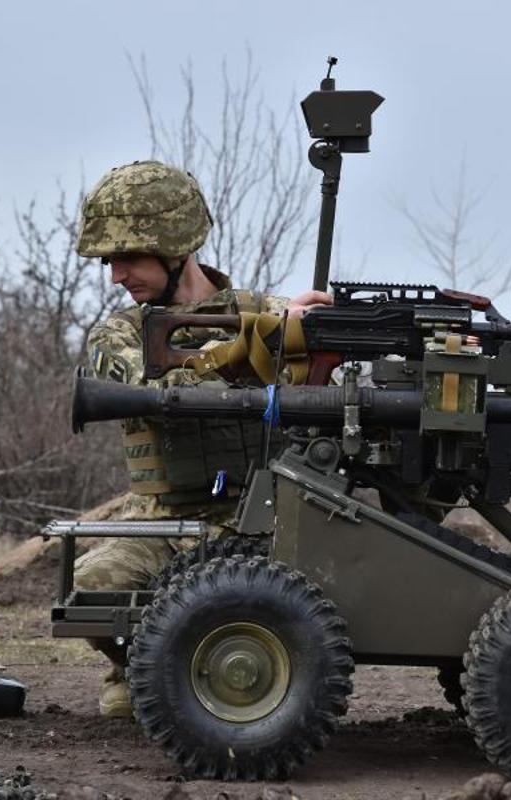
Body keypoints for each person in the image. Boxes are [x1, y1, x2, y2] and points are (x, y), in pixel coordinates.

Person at [70, 160, 327, 717]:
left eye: (127, 258)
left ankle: (268, 681)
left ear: (175, 248)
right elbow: (156, 393)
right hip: (163, 524)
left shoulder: (271, 315)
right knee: (91, 585)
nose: (116, 276)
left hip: (266, 521)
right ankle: (138, 661)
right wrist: (255, 346)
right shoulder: (117, 334)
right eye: (110, 261)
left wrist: (323, 338)